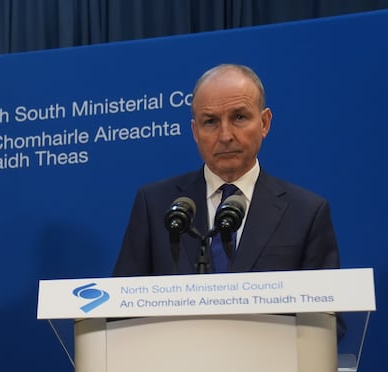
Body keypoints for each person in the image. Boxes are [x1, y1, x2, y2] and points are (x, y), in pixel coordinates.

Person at [113, 63, 340, 276]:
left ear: (264, 123)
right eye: (210, 121)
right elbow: (121, 309)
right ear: (195, 131)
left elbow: (328, 315)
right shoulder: (155, 205)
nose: (225, 136)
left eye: (239, 117)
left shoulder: (306, 212)